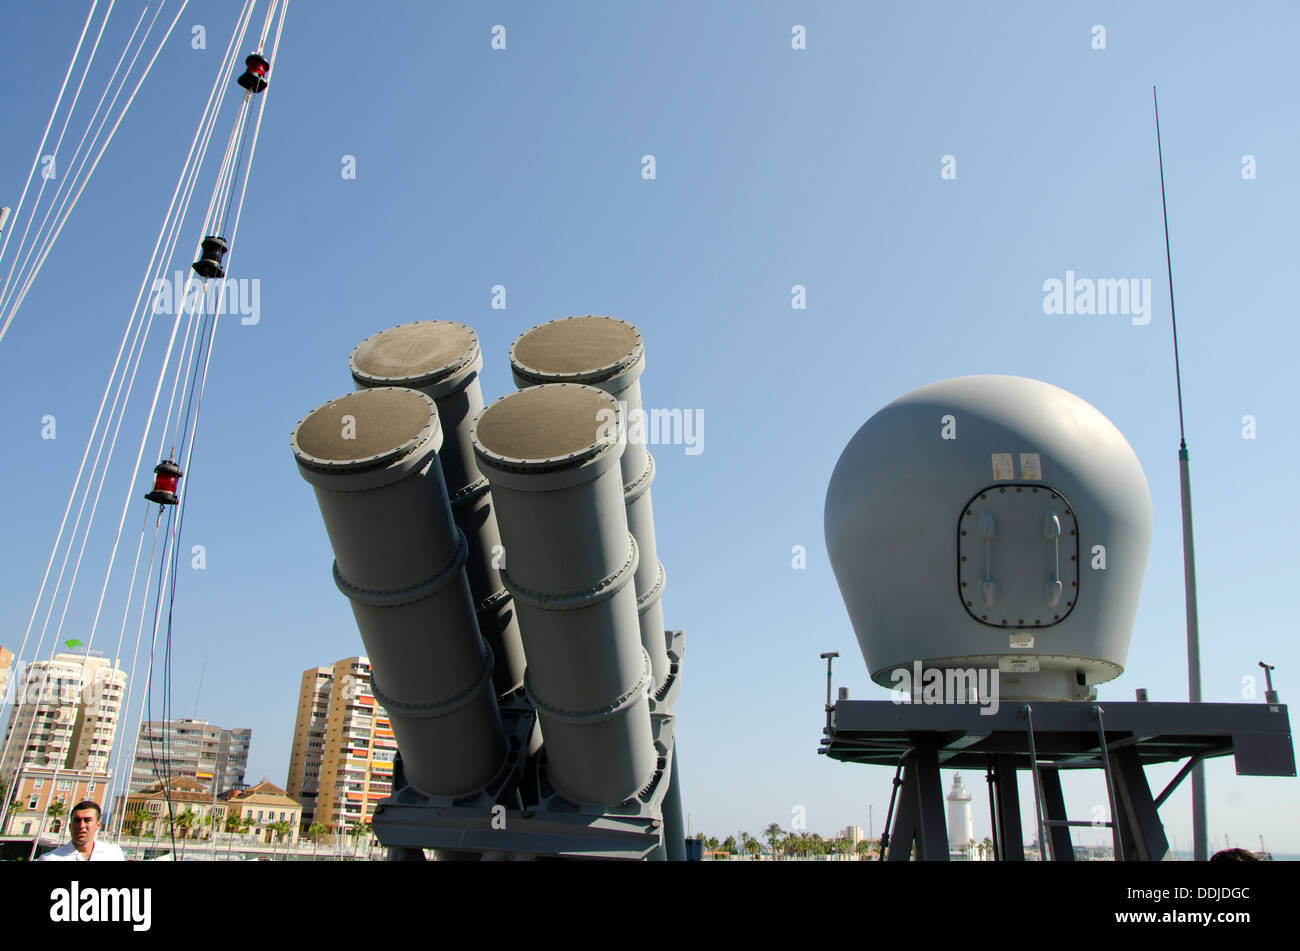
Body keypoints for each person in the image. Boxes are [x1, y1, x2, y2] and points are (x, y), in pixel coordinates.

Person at [36, 799, 126, 861]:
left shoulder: (113, 853)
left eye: (87, 820)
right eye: (77, 820)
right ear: (70, 826)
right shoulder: (50, 859)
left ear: (98, 825)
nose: (81, 825)